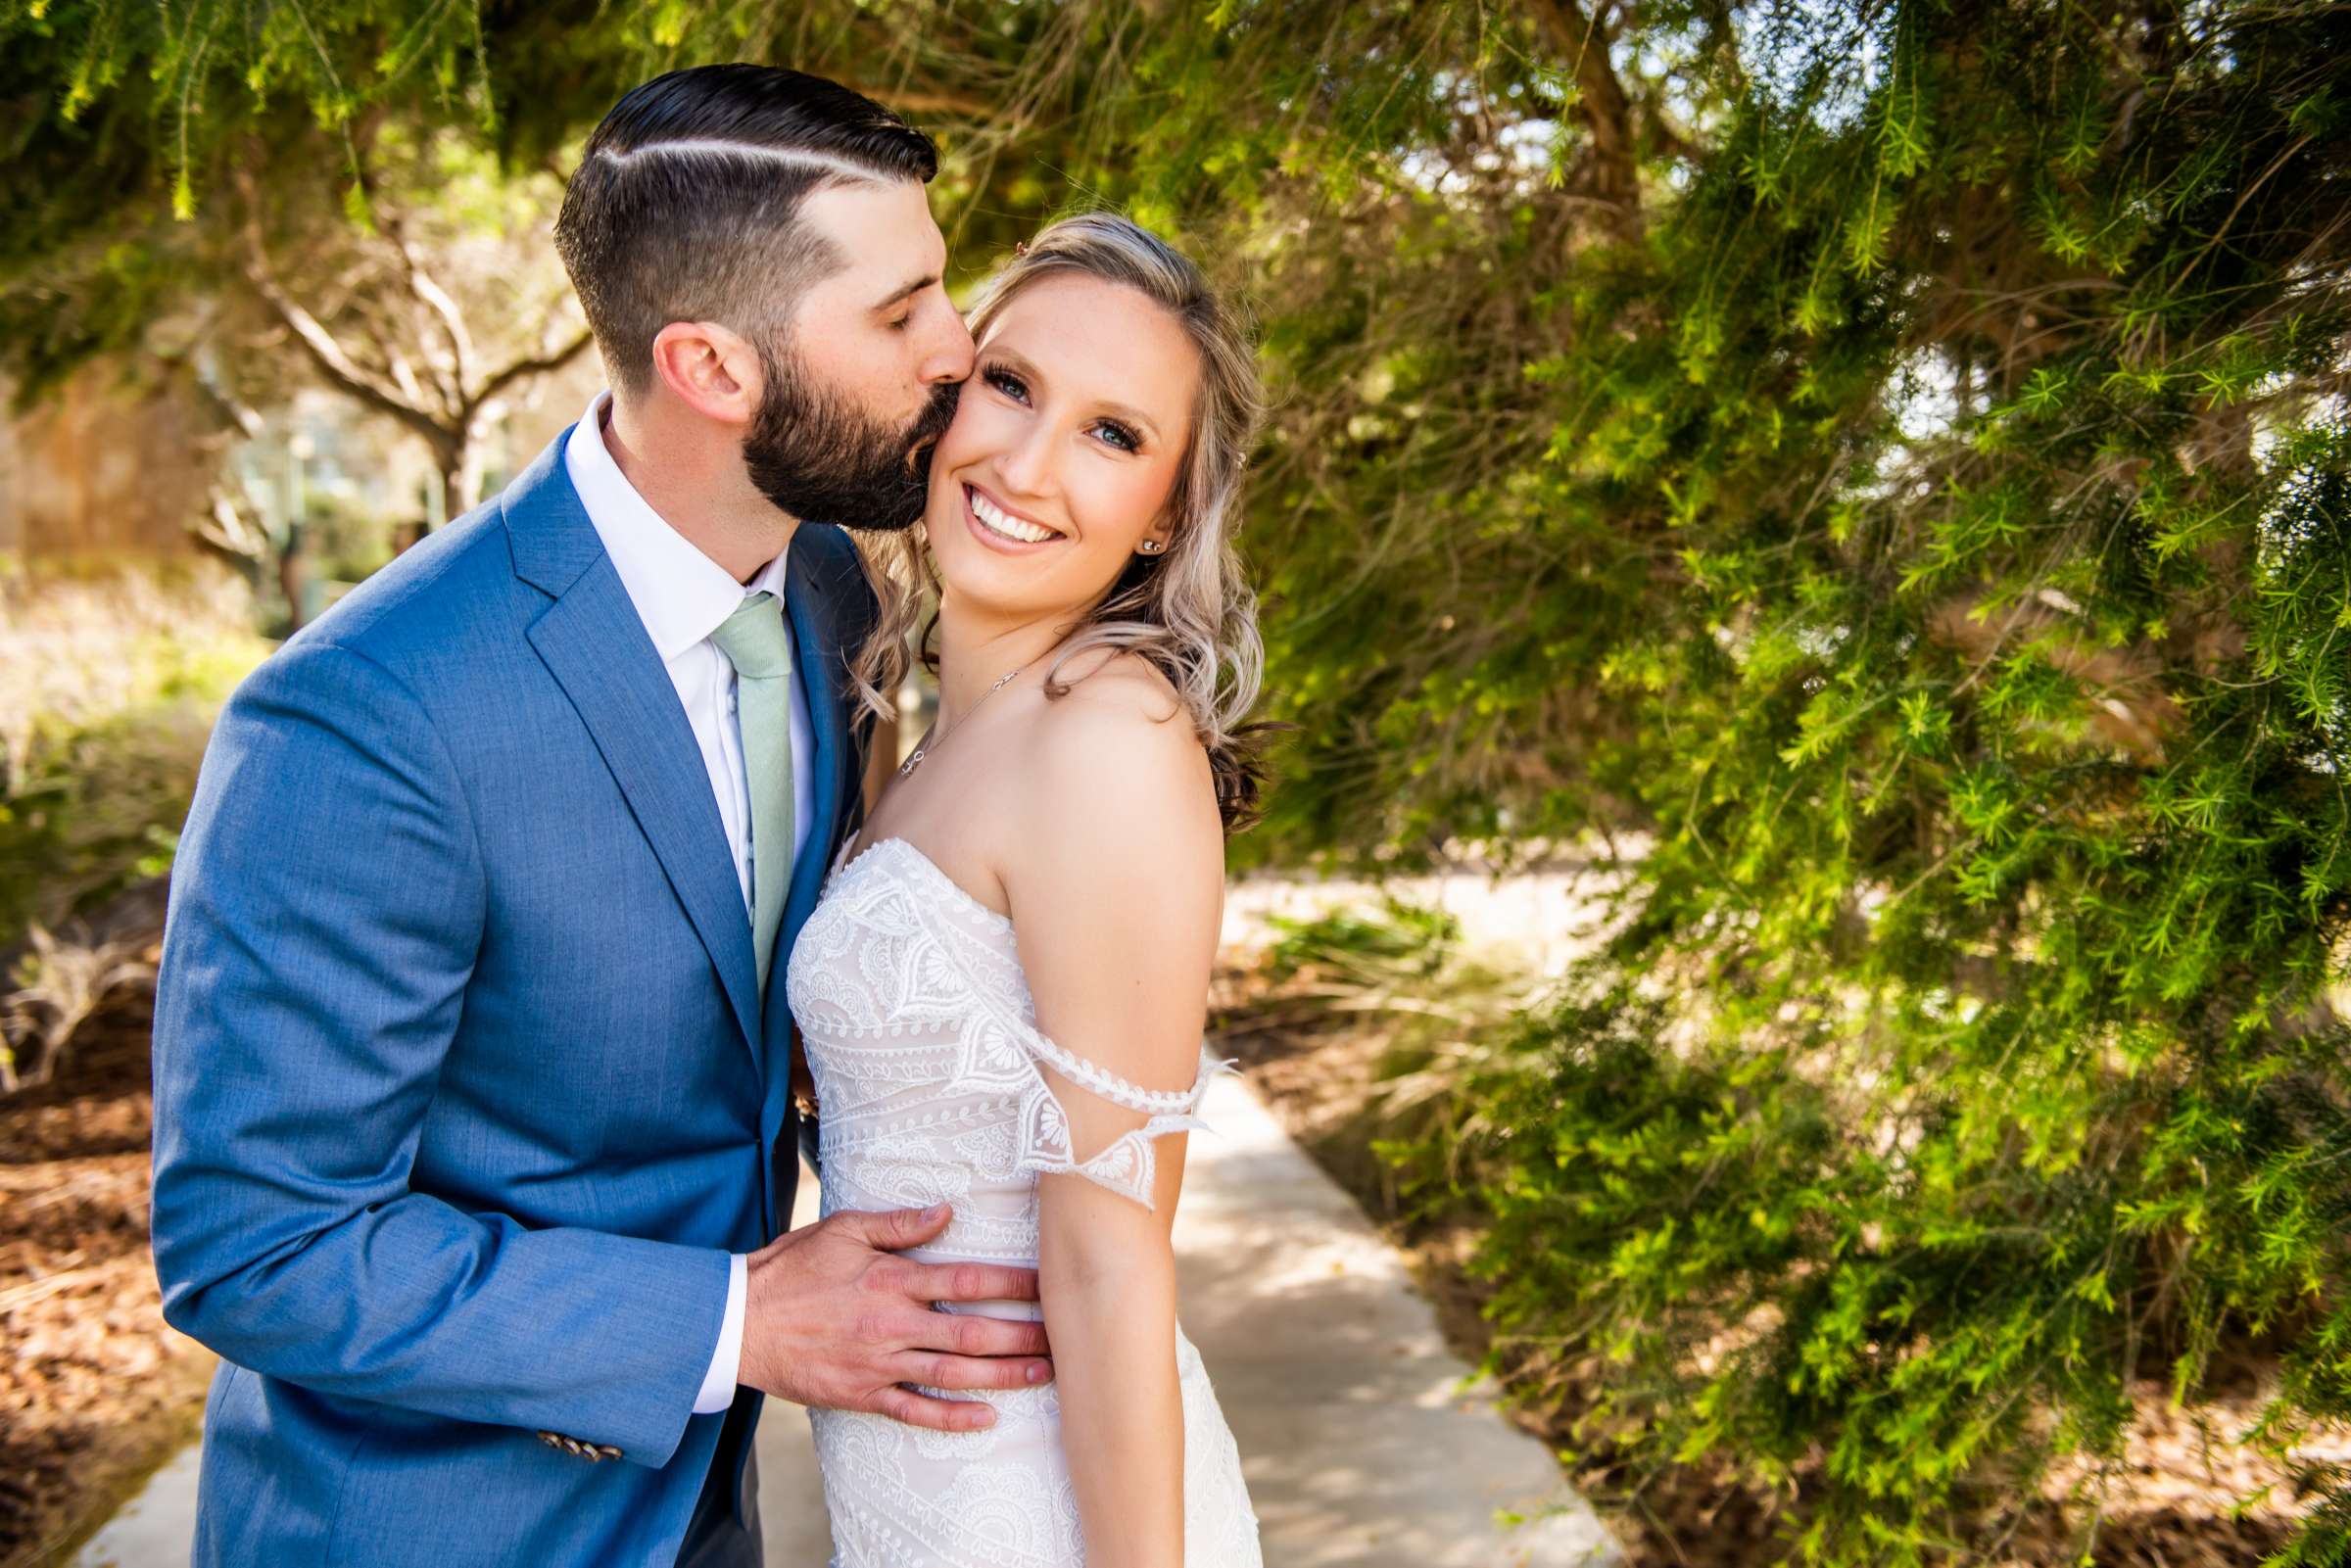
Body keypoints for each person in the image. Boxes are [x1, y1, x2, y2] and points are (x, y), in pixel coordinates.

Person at [149, 65, 1052, 1568]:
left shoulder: (830, 593)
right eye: (901, 316)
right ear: (712, 365)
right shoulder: (363, 717)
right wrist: (736, 1319)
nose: (960, 353)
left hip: (711, 1514)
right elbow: (261, 1240)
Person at [789, 213, 1268, 1566]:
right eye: (1012, 384)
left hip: (1043, 1517)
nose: (1028, 461)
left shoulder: (1109, 735)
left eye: (1114, 434)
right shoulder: (913, 725)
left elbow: (1114, 1259)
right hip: (913, 1504)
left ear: (1168, 506)